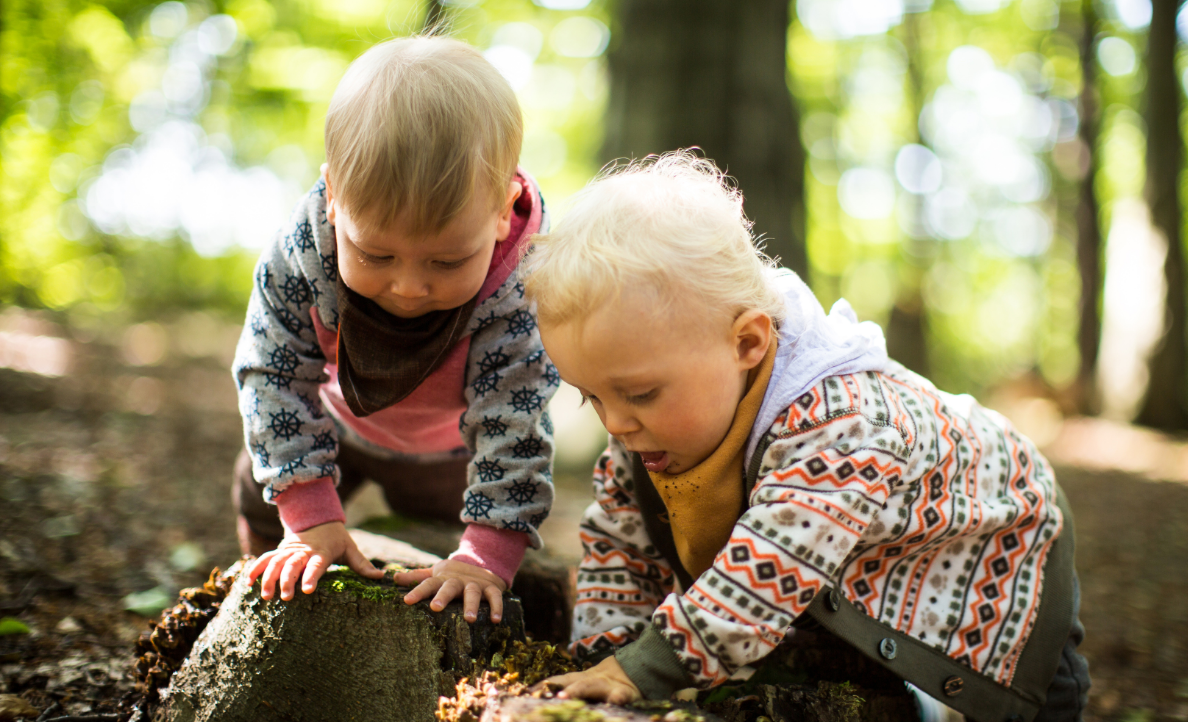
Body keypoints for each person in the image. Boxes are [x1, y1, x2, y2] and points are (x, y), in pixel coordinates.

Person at [525, 153, 1089, 721]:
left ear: (748, 343)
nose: (615, 424)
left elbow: (767, 569)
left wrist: (645, 668)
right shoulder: (644, 433)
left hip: (1003, 565)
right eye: (591, 396)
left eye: (641, 394)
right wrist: (606, 659)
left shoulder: (842, 425)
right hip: (861, 580)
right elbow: (619, 548)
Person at [230, 35, 559, 625]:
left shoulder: (524, 289)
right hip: (329, 425)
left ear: (502, 209)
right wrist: (308, 518)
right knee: (258, 493)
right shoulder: (298, 259)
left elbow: (517, 420)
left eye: (447, 261)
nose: (409, 286)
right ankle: (271, 589)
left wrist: (484, 555)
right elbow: (271, 373)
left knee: (451, 552)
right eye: (376, 255)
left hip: (445, 454)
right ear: (334, 198)